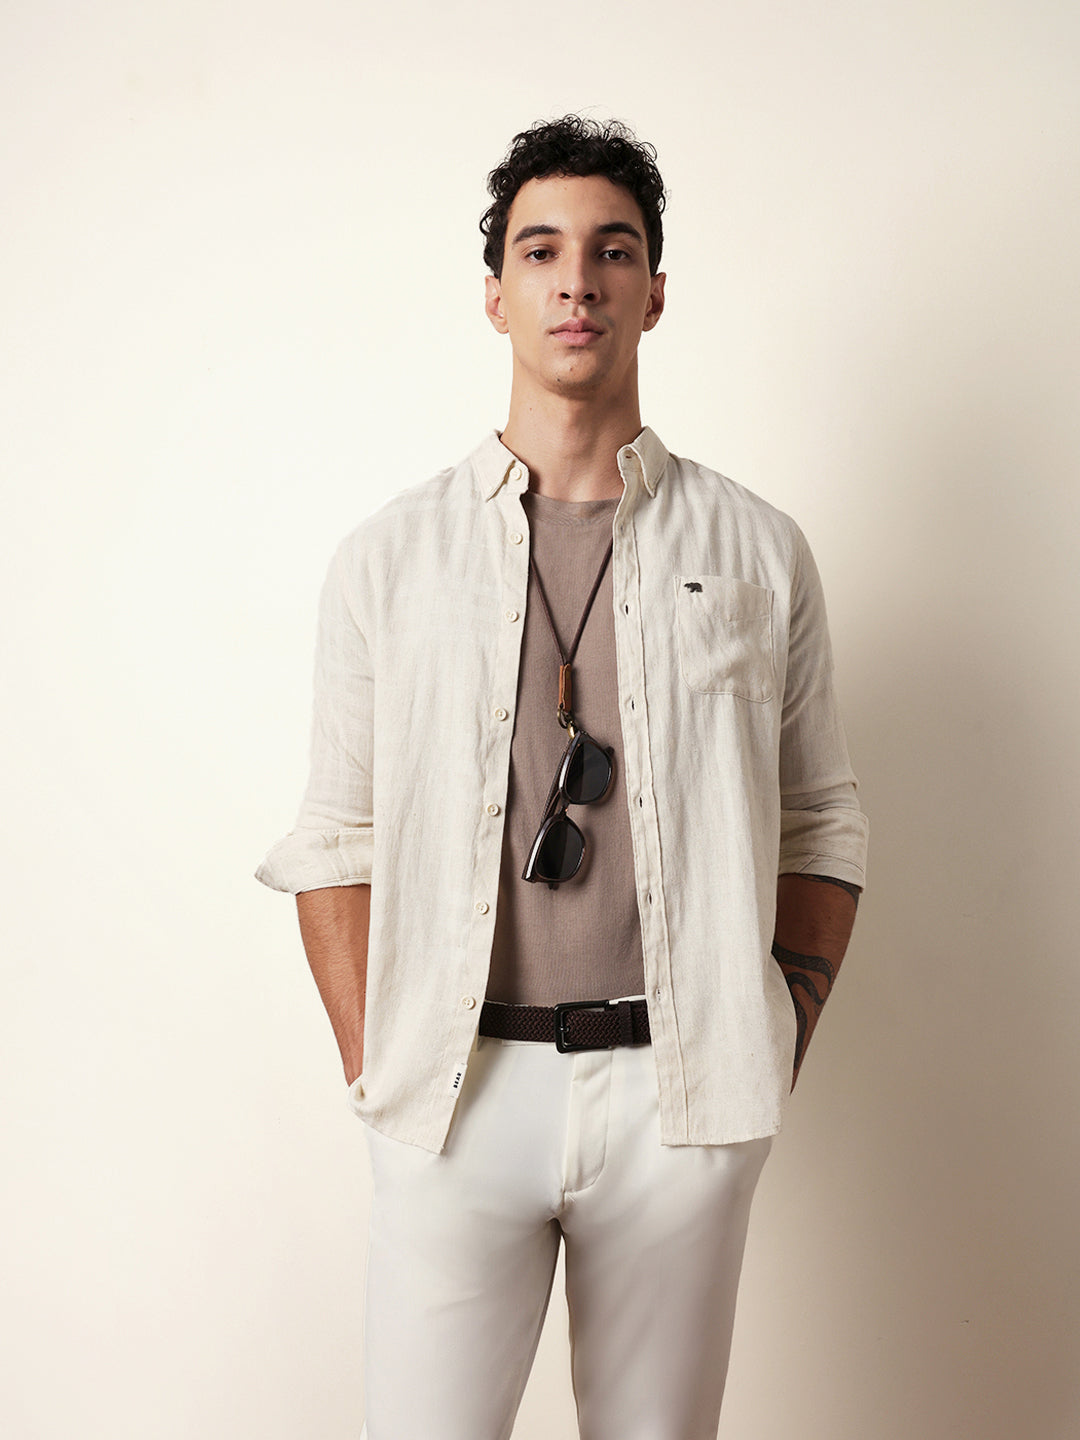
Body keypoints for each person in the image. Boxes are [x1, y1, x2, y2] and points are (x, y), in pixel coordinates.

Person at [257, 115, 868, 1440]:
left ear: (656, 291)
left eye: (612, 250)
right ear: (496, 297)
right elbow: (336, 838)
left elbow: (821, 820)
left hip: (680, 1098)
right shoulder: (389, 559)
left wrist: (776, 1033)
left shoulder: (758, 549)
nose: (576, 281)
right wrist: (379, 1061)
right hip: (454, 1095)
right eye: (540, 252)